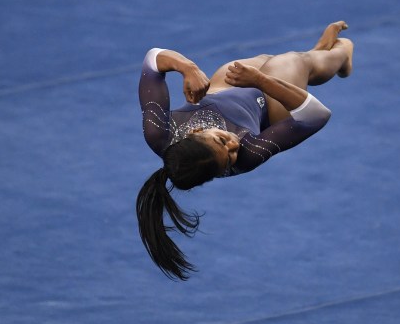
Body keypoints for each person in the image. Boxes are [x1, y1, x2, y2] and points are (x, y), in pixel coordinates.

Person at [136, 21, 354, 280]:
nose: (234, 146)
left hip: (224, 89)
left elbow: (152, 60)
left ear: (195, 133)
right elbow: (317, 114)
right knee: (288, 62)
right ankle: (342, 55)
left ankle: (318, 55)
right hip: (270, 107)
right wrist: (261, 81)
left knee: (262, 60)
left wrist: (187, 68)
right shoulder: (249, 155)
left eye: (221, 141)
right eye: (230, 158)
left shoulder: (159, 133)